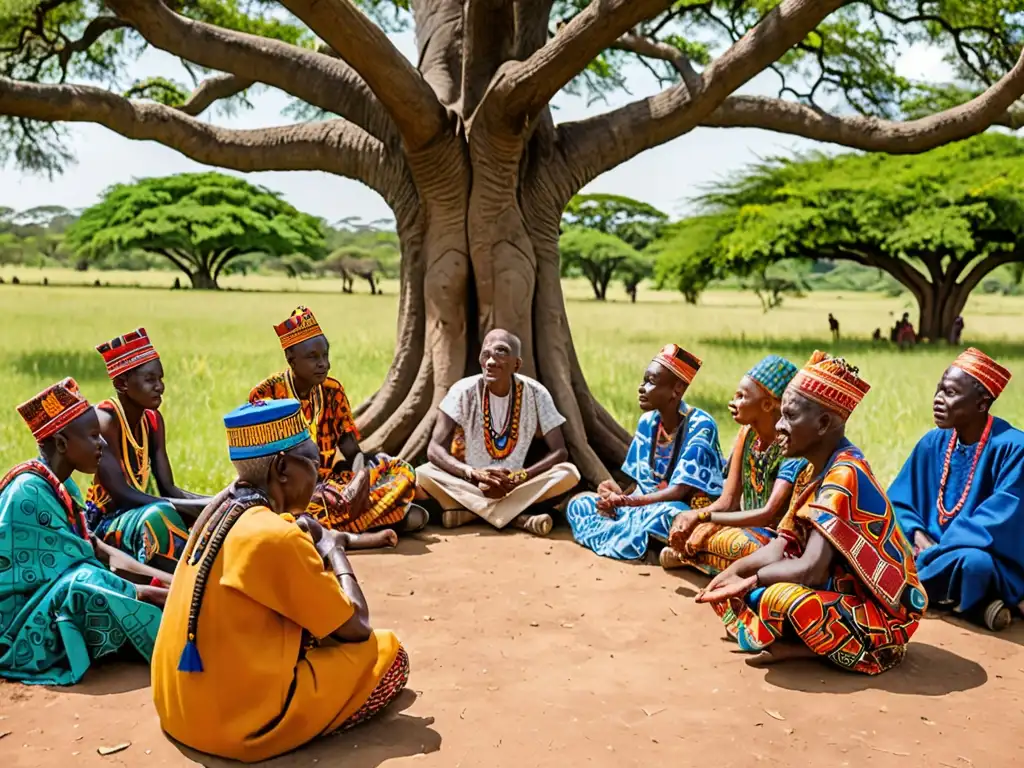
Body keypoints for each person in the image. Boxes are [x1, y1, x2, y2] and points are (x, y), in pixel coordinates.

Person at [152, 399, 408, 762]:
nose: (318, 477)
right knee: (391, 655)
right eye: (314, 464)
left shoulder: (218, 512)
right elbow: (357, 627)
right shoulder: (277, 537)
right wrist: (334, 549)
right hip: (238, 729)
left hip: (178, 713)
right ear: (283, 467)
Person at [697, 352, 926, 675]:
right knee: (750, 586)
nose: (779, 426)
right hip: (834, 591)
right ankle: (799, 641)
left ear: (823, 424)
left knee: (778, 598)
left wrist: (749, 581)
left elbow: (811, 571)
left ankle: (809, 648)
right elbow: (781, 543)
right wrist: (733, 572)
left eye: (790, 416)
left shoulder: (845, 476)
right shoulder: (809, 471)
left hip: (880, 614)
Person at [2, 378, 166, 685]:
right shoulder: (29, 492)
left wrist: (172, 582)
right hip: (15, 628)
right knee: (84, 585)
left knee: (91, 580)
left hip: (48, 604)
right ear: (62, 444)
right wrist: (155, 593)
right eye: (93, 436)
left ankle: (167, 618)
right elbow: (80, 571)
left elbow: (98, 551)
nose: (102, 443)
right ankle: (173, 634)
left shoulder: (62, 487)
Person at [251, 307, 425, 541]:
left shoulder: (333, 392)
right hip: (287, 492)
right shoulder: (266, 395)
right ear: (290, 358)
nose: (324, 364)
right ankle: (367, 521)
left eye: (325, 355)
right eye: (313, 357)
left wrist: (360, 477)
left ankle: (339, 523)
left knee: (398, 469)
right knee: (411, 516)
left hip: (330, 486)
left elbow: (351, 450)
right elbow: (261, 465)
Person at [889, 349, 1023, 631]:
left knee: (975, 565)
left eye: (950, 393)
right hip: (923, 549)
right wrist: (917, 535)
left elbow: (1001, 519)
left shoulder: (1013, 448)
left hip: (970, 552)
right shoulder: (933, 442)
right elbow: (898, 502)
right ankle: (974, 606)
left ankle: (906, 590)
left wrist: (941, 549)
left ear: (981, 404)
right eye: (939, 389)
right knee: (883, 541)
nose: (938, 399)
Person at [566, 344, 725, 560]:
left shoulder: (701, 425)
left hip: (678, 507)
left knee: (671, 515)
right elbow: (641, 484)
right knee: (579, 504)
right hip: (641, 506)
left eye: (651, 381)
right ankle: (638, 542)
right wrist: (616, 497)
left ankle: (625, 538)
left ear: (677, 389)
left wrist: (627, 502)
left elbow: (679, 492)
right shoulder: (647, 422)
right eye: (643, 381)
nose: (642, 388)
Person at [416, 329, 580, 536]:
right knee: (423, 473)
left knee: (568, 472)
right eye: (486, 354)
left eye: (500, 352)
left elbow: (559, 451)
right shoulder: (462, 391)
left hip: (516, 485)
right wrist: (472, 473)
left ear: (516, 364)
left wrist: (522, 476)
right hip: (471, 483)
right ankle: (517, 519)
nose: (491, 361)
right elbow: (434, 449)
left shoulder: (536, 393)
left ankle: (470, 513)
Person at [661, 355, 807, 574]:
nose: (732, 403)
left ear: (767, 404)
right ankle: (698, 554)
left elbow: (767, 514)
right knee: (682, 515)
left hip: (775, 540)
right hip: (743, 525)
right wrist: (698, 519)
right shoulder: (747, 434)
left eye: (741, 397)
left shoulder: (790, 445)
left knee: (743, 546)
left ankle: (694, 556)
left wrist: (704, 519)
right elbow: (728, 501)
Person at [86, 328, 208, 571]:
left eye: (161, 379)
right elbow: (122, 495)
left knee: (214, 516)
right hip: (106, 523)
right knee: (160, 516)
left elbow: (168, 487)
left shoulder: (152, 421)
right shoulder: (106, 421)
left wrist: (215, 502)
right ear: (122, 384)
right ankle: (185, 582)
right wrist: (190, 507)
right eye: (150, 380)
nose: (160, 387)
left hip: (144, 510)